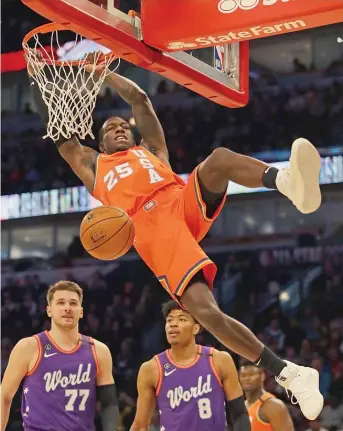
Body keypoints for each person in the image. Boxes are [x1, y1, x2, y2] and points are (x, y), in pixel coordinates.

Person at [27, 51, 323, 421]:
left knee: (218, 160)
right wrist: (38, 78)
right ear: (100, 144)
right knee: (206, 313)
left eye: (123, 126)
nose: (119, 128)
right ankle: (289, 373)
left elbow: (140, 100)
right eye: (110, 129)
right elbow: (62, 136)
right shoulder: (94, 167)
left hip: (179, 201)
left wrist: (106, 75)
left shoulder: (152, 151)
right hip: (149, 230)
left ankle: (287, 181)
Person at [1, 281, 119, 431]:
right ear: (49, 310)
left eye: (73, 303)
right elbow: (4, 395)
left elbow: (109, 403)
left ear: (81, 312)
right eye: (61, 303)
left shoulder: (99, 350)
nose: (67, 308)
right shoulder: (29, 347)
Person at [131, 300, 251, 431]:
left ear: (196, 328)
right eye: (169, 320)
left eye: (182, 319)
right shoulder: (151, 368)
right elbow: (140, 425)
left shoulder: (219, 360)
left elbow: (239, 414)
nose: (173, 324)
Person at [239, 360, 294, 431]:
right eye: (243, 375)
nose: (247, 378)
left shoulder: (274, 406)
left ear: (262, 376)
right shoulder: (241, 407)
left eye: (251, 374)